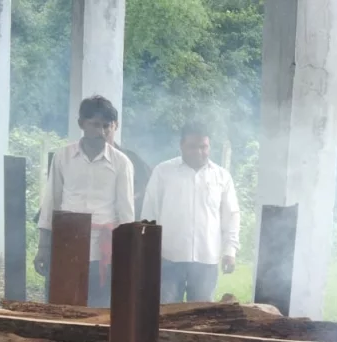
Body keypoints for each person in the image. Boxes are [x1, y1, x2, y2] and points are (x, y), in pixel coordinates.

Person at [35, 96, 135, 307]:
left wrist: (127, 254)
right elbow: (51, 202)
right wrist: (43, 246)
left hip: (103, 247)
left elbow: (126, 213)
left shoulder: (121, 163)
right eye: (95, 125)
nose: (102, 132)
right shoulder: (63, 156)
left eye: (107, 126)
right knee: (63, 303)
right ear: (81, 124)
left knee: (100, 308)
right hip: (67, 241)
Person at [142, 121, 240, 304]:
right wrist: (148, 251)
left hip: (206, 258)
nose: (198, 152)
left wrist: (230, 250)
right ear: (181, 145)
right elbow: (149, 213)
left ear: (209, 146)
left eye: (204, 147)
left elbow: (231, 216)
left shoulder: (221, 176)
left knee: (202, 316)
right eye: (192, 147)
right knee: (164, 313)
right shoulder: (163, 172)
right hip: (169, 257)